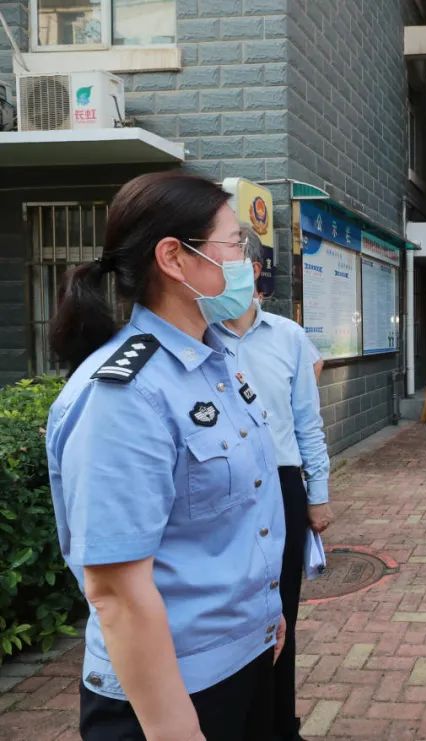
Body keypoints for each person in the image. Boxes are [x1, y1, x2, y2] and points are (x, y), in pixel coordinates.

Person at [45, 171, 286, 741]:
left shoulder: (216, 360)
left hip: (242, 657)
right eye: (235, 243)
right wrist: (174, 729)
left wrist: (263, 612)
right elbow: (117, 592)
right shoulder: (125, 395)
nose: (248, 262)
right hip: (167, 690)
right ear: (175, 258)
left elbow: (240, 514)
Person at [212, 231, 333, 741]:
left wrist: (318, 493)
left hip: (282, 484)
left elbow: (308, 421)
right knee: (227, 614)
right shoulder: (199, 335)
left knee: (280, 610)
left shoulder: (288, 336)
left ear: (256, 270)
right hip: (220, 486)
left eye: (232, 259)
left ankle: (281, 724)